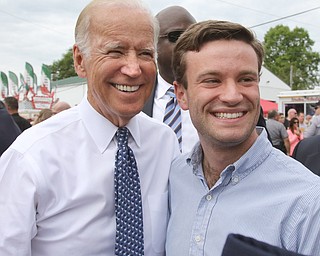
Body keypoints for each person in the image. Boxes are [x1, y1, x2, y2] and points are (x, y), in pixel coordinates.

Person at [0, 0, 180, 255]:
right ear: (80, 59)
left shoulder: (165, 142)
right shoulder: (30, 157)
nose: (133, 68)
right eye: (116, 51)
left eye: (145, 53)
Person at [166, 20, 320, 256]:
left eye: (246, 79)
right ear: (181, 95)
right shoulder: (174, 176)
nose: (232, 96)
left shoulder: (308, 202)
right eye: (212, 80)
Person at [142, 6, 198, 153]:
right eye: (176, 36)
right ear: (153, 44)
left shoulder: (224, 96)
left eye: (193, 37)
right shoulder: (134, 96)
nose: (187, 43)